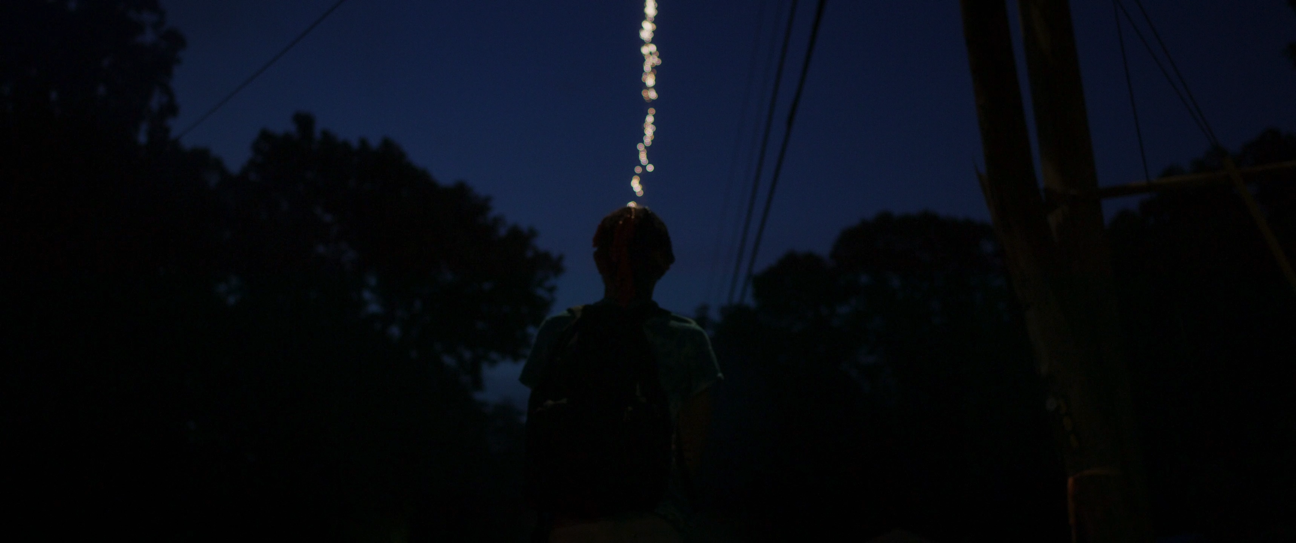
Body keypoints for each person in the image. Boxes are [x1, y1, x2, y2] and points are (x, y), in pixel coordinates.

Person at [520, 205, 723, 543]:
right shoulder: (689, 340)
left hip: (569, 519)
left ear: (601, 262)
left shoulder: (559, 330)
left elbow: (535, 436)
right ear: (663, 264)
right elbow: (690, 455)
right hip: (656, 519)